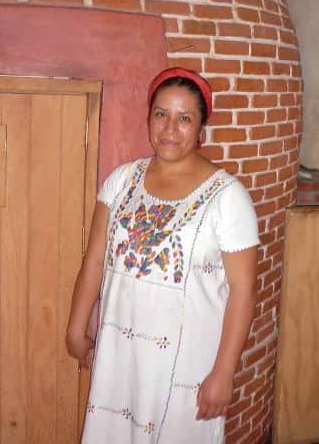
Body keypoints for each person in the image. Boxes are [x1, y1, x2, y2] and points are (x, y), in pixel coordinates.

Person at [66, 67, 259, 443]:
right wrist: (76, 330)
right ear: (149, 117)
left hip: (186, 366)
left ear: (201, 127)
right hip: (120, 356)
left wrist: (224, 373)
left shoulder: (227, 197)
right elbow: (94, 261)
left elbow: (244, 291)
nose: (170, 128)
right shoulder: (122, 181)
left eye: (184, 118)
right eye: (161, 114)